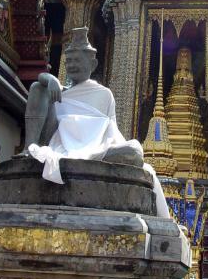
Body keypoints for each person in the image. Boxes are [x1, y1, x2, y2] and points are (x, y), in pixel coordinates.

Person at [21, 27, 170, 217]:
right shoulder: (59, 92)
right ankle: (28, 148)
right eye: (69, 61)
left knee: (134, 150)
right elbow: (41, 86)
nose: (72, 65)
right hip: (57, 144)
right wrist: (49, 78)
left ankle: (89, 158)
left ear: (93, 64)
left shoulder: (104, 95)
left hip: (96, 148)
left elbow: (112, 133)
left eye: (77, 60)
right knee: (37, 86)